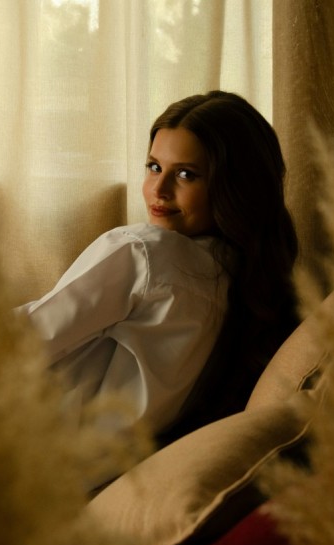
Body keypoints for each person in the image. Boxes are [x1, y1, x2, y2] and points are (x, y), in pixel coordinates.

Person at [18, 90, 299, 447]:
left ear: (235, 188)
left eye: (186, 174)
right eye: (154, 167)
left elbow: (19, 340)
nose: (159, 190)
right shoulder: (241, 288)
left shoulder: (144, 253)